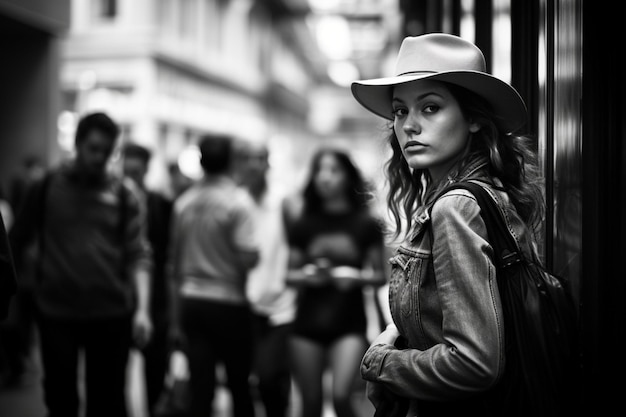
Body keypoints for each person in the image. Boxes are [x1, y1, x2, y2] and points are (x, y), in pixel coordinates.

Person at [350, 33, 545, 416]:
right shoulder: (485, 193)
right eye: (400, 111)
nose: (409, 126)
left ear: (473, 118)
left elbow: (473, 364)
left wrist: (381, 364)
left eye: (431, 108)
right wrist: (398, 336)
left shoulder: (456, 206)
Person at [8, 112, 153, 417]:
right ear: (77, 144)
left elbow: (138, 254)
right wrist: (17, 298)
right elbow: (16, 240)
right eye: (93, 149)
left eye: (106, 151)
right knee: (61, 400)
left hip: (111, 313)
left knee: (108, 401)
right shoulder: (46, 187)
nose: (99, 158)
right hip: (56, 312)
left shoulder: (126, 195)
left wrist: (142, 310)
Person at [285, 147, 387, 417]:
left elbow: (379, 277)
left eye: (333, 170)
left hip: (349, 323)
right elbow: (289, 276)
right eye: (319, 170)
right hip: (307, 323)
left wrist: (354, 277)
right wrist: (308, 275)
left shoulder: (367, 223)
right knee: (310, 403)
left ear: (347, 177)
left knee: (342, 397)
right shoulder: (303, 224)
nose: (325, 177)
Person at [167, 133, 259, 417]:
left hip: (192, 303)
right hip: (229, 302)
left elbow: (173, 264)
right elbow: (248, 258)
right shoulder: (238, 202)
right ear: (231, 160)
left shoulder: (184, 203)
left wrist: (174, 320)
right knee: (238, 385)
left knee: (201, 387)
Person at [234, 139, 297, 417]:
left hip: (281, 306)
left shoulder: (282, 201)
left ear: (268, 163)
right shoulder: (235, 203)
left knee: (271, 379)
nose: (254, 164)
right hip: (244, 305)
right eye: (248, 158)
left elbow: (298, 246)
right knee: (245, 380)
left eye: (260, 158)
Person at [121, 142, 173, 417]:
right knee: (115, 378)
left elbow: (169, 258)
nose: (131, 179)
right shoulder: (113, 201)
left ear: (146, 170)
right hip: (118, 300)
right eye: (126, 172)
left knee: (155, 373)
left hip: (156, 301)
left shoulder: (162, 205)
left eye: (136, 172)